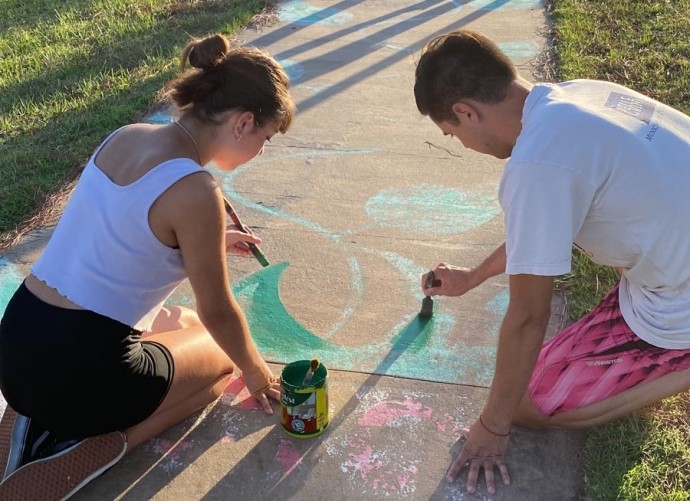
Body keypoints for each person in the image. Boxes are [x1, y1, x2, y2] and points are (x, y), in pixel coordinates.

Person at [0, 33, 295, 499]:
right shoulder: (198, 191)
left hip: (16, 342)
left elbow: (123, 224)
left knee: (178, 321)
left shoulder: (126, 137)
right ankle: (97, 445)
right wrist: (258, 375)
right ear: (242, 123)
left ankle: (33, 418)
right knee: (221, 364)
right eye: (266, 137)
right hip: (84, 374)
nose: (262, 148)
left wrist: (212, 238)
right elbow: (219, 312)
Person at [414, 29, 690, 495]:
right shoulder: (576, 98)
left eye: (453, 132)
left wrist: (493, 427)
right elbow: (540, 230)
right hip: (666, 270)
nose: (461, 143)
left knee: (523, 403)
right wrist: (473, 277)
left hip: (676, 300)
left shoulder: (538, 162)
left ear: (465, 111)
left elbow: (527, 317)